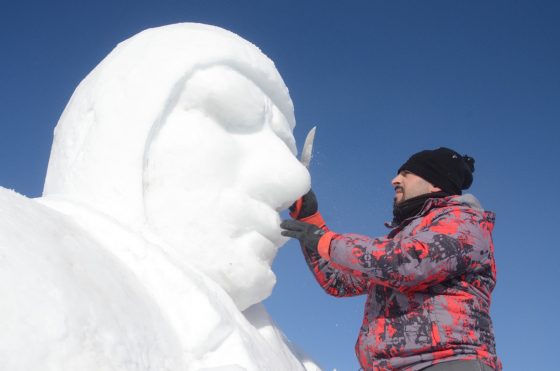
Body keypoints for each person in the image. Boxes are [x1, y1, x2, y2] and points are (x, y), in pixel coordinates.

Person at [281, 147, 501, 371]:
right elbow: (339, 281)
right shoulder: (407, 237)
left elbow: (406, 263)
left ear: (435, 183)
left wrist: (328, 241)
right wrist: (310, 220)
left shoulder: (464, 223)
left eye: (405, 174)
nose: (394, 180)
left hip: (447, 363)